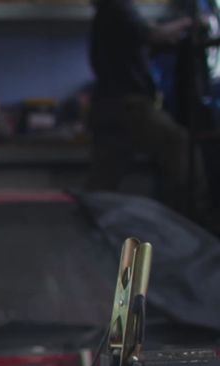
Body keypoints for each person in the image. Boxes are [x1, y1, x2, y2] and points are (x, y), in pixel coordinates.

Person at [85, 0, 207, 216]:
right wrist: (188, 23)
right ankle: (188, 225)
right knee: (181, 147)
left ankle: (89, 230)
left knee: (103, 181)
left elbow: (147, 41)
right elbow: (151, 35)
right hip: (128, 105)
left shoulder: (107, 14)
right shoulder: (117, 8)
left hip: (106, 106)